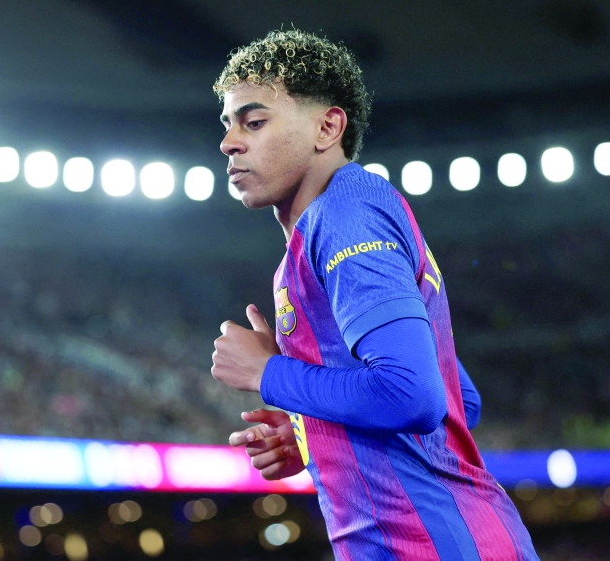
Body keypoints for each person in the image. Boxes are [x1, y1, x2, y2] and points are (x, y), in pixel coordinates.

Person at [210, 29, 539, 560]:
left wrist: (267, 374)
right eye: (227, 126)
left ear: (328, 127)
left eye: (254, 121)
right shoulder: (336, 222)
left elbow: (414, 396)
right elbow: (462, 400)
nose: (229, 143)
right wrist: (313, 433)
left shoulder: (344, 218)